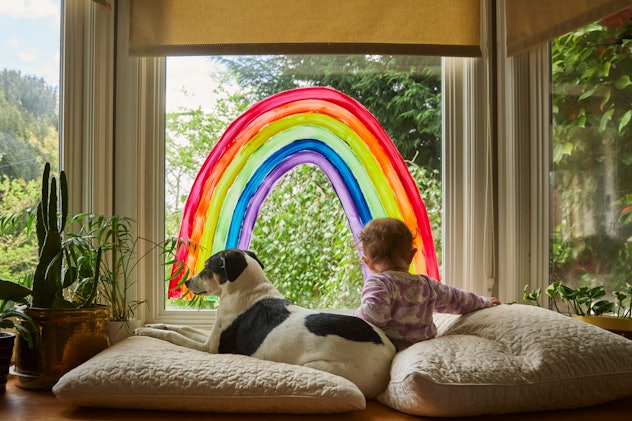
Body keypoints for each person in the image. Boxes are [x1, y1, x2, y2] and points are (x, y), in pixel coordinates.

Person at [354, 217, 500, 350]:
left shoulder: (379, 283)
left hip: (393, 351)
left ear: (368, 263)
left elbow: (374, 316)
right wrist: (485, 302)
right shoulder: (426, 284)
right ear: (411, 255)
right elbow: (457, 299)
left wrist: (354, 317)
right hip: (425, 348)